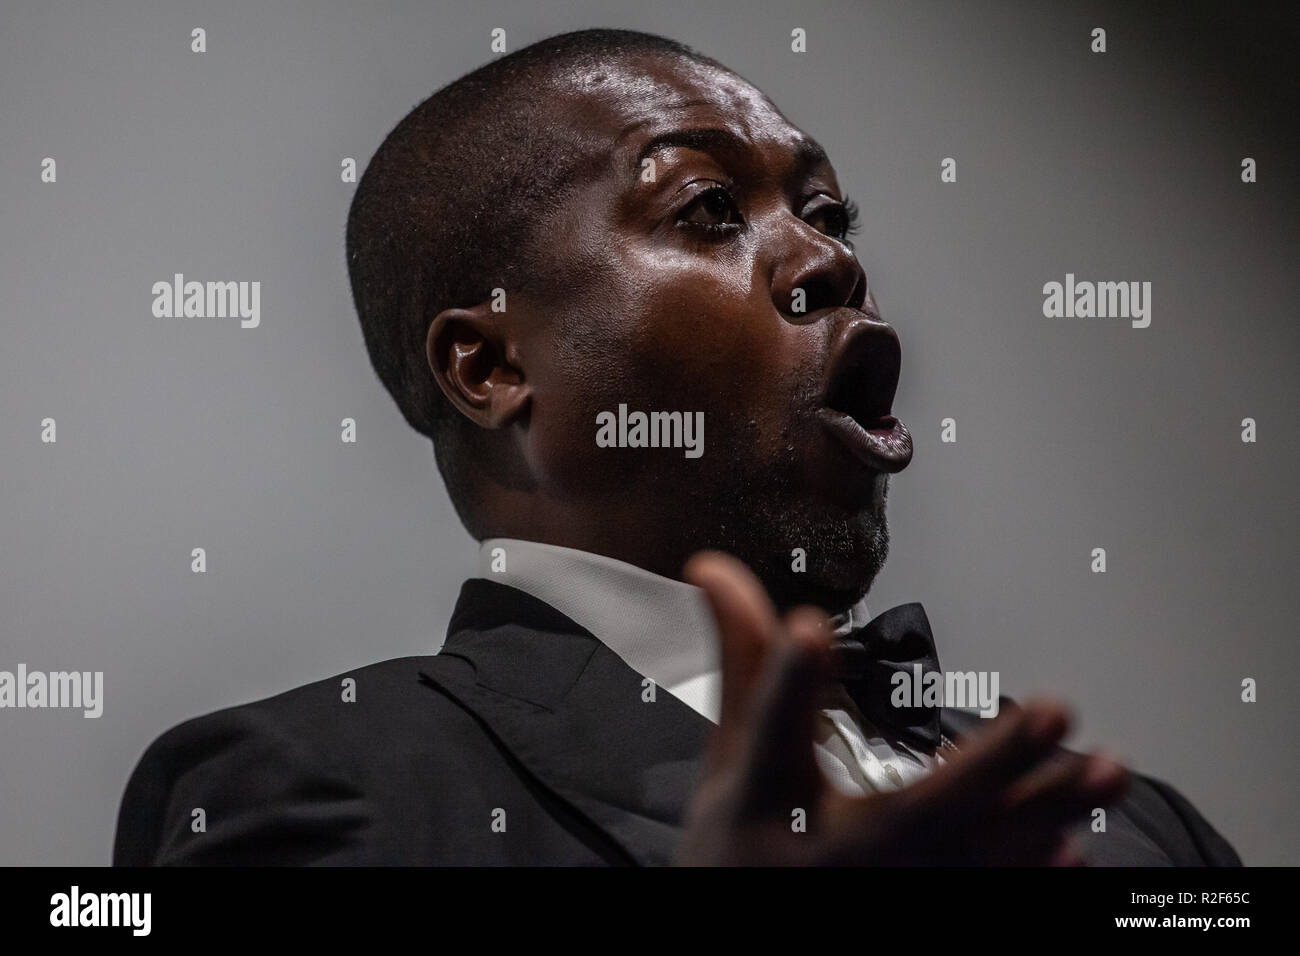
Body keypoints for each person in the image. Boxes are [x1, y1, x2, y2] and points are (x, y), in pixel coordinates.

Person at [113, 28, 1240, 866]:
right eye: (706, 207)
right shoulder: (323, 785)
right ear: (492, 367)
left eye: (830, 215)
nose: (826, 258)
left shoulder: (1144, 829)